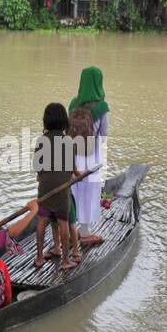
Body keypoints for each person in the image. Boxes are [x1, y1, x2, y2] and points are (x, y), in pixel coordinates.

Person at [34, 101, 76, 271]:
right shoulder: (68, 141)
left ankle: (38, 257)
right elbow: (70, 168)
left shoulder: (41, 140)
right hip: (62, 187)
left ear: (46, 121)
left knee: (42, 220)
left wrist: (45, 177)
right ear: (64, 121)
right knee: (63, 221)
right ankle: (66, 260)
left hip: (45, 186)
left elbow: (37, 165)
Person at [68, 106, 104, 249]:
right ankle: (84, 232)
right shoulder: (101, 108)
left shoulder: (73, 104)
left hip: (74, 162)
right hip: (88, 163)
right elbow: (105, 133)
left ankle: (74, 230)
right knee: (87, 194)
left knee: (73, 194)